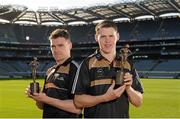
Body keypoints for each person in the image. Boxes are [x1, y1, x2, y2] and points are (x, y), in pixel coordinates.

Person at [72, 20, 143, 118]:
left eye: (111, 36)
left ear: (117, 36)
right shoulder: (87, 63)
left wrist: (128, 88)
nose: (107, 40)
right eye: (103, 36)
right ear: (96, 38)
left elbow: (138, 102)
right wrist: (104, 98)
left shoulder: (127, 63)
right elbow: (78, 101)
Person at [26, 29, 81, 118]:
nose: (56, 50)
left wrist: (46, 99)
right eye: (53, 46)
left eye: (60, 45)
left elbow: (77, 108)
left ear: (70, 45)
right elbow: (42, 106)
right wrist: (38, 97)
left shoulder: (76, 69)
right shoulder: (50, 71)